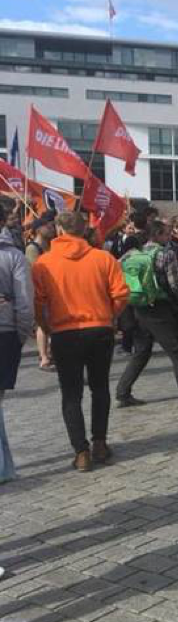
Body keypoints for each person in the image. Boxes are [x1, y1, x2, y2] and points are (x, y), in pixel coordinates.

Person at [32, 211, 129, 471]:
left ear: (59, 230)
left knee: (71, 394)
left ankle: (81, 451)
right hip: (99, 329)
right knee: (100, 387)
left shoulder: (44, 263)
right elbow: (121, 294)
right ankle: (100, 442)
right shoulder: (103, 258)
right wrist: (109, 316)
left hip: (64, 332)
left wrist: (46, 328)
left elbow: (38, 303)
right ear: (84, 229)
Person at [115, 221, 178, 408]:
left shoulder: (130, 254)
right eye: (166, 234)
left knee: (141, 351)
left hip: (136, 307)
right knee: (177, 349)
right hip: (159, 309)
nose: (169, 237)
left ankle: (122, 392)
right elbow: (176, 285)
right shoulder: (166, 254)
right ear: (157, 235)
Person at [0, 203, 33, 483]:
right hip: (6, 333)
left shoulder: (14, 255)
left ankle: (4, 466)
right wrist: (20, 336)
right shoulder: (14, 256)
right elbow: (24, 305)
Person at [24, 214, 56, 371]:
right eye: (47, 226)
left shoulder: (50, 246)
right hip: (40, 291)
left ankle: (50, 353)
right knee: (42, 325)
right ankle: (43, 358)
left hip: (52, 290)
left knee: (51, 322)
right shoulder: (32, 248)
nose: (51, 229)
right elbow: (35, 270)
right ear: (38, 230)